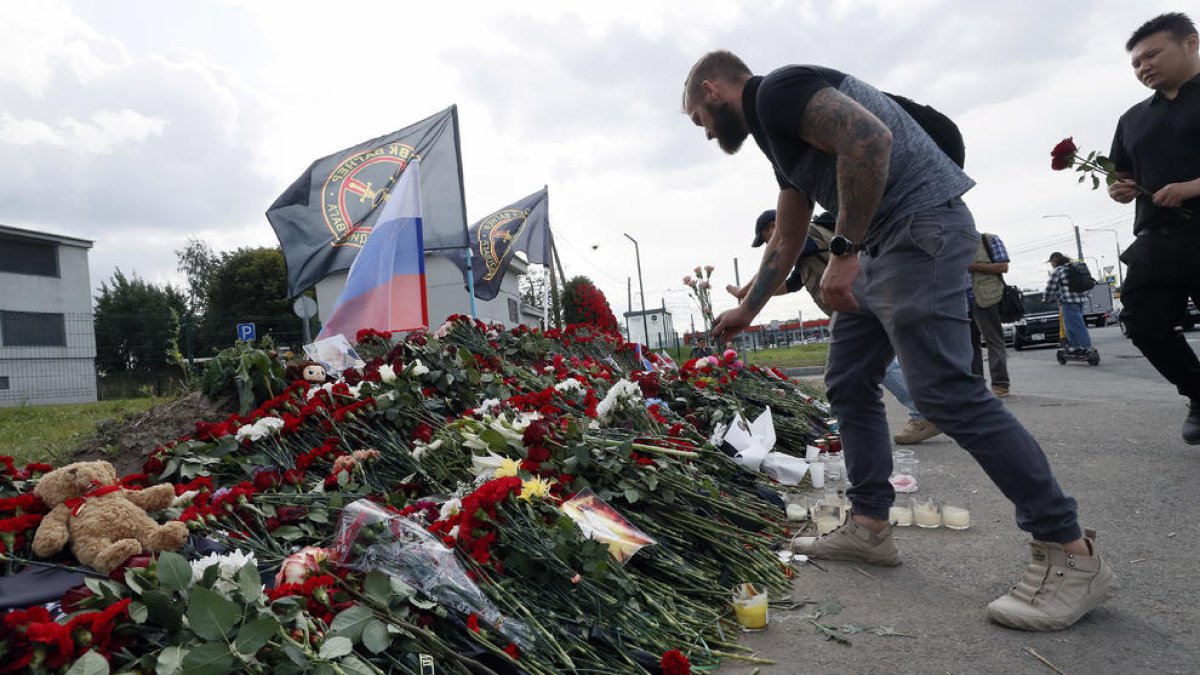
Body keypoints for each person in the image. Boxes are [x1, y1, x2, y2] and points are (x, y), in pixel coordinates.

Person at [683, 50, 1114, 630]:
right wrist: (747, 309)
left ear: (712, 91)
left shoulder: (780, 90)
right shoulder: (774, 134)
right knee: (848, 380)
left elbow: (869, 140)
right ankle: (869, 527)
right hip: (882, 244)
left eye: (700, 120)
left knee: (945, 392)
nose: (708, 134)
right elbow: (786, 236)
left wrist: (843, 252)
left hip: (918, 228)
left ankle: (1070, 553)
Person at [728, 209, 942, 445]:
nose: (768, 244)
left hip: (857, 305)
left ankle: (924, 413)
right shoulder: (806, 250)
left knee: (878, 365)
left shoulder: (805, 234)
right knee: (856, 371)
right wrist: (752, 292)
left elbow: (777, 263)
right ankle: (865, 422)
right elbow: (789, 284)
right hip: (853, 307)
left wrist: (744, 292)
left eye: (766, 238)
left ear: (772, 226)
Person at [1108, 12, 1200, 444]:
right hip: (1157, 239)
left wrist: (1192, 187)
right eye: (1136, 63)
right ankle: (1197, 392)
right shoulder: (1132, 119)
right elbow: (1120, 176)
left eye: (1152, 55)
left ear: (1190, 43)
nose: (1144, 67)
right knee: (1142, 322)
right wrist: (1120, 189)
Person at [969, 233, 1012, 396]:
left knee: (993, 340)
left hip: (986, 298)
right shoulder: (952, 244)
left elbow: (1003, 267)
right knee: (968, 345)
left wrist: (972, 266)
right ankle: (976, 386)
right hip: (960, 300)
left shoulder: (988, 240)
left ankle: (1000, 384)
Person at [1043, 252, 1095, 354]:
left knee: (1076, 326)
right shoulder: (1074, 267)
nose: (1051, 264)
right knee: (1070, 325)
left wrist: (1046, 299)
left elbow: (1050, 287)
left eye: (1051, 262)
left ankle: (1086, 347)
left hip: (1068, 302)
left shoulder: (1058, 271)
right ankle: (1075, 346)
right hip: (1081, 301)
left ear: (1055, 260)